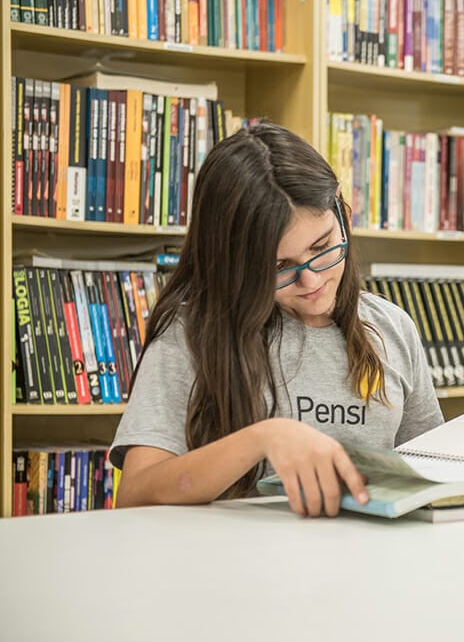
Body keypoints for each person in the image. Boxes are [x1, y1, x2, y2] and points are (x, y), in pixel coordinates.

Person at [110, 122, 443, 516]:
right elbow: (135, 494)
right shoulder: (191, 335)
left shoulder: (391, 327)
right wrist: (263, 438)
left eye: (322, 247)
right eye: (279, 266)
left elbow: (431, 478)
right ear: (233, 263)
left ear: (340, 209)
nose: (312, 280)